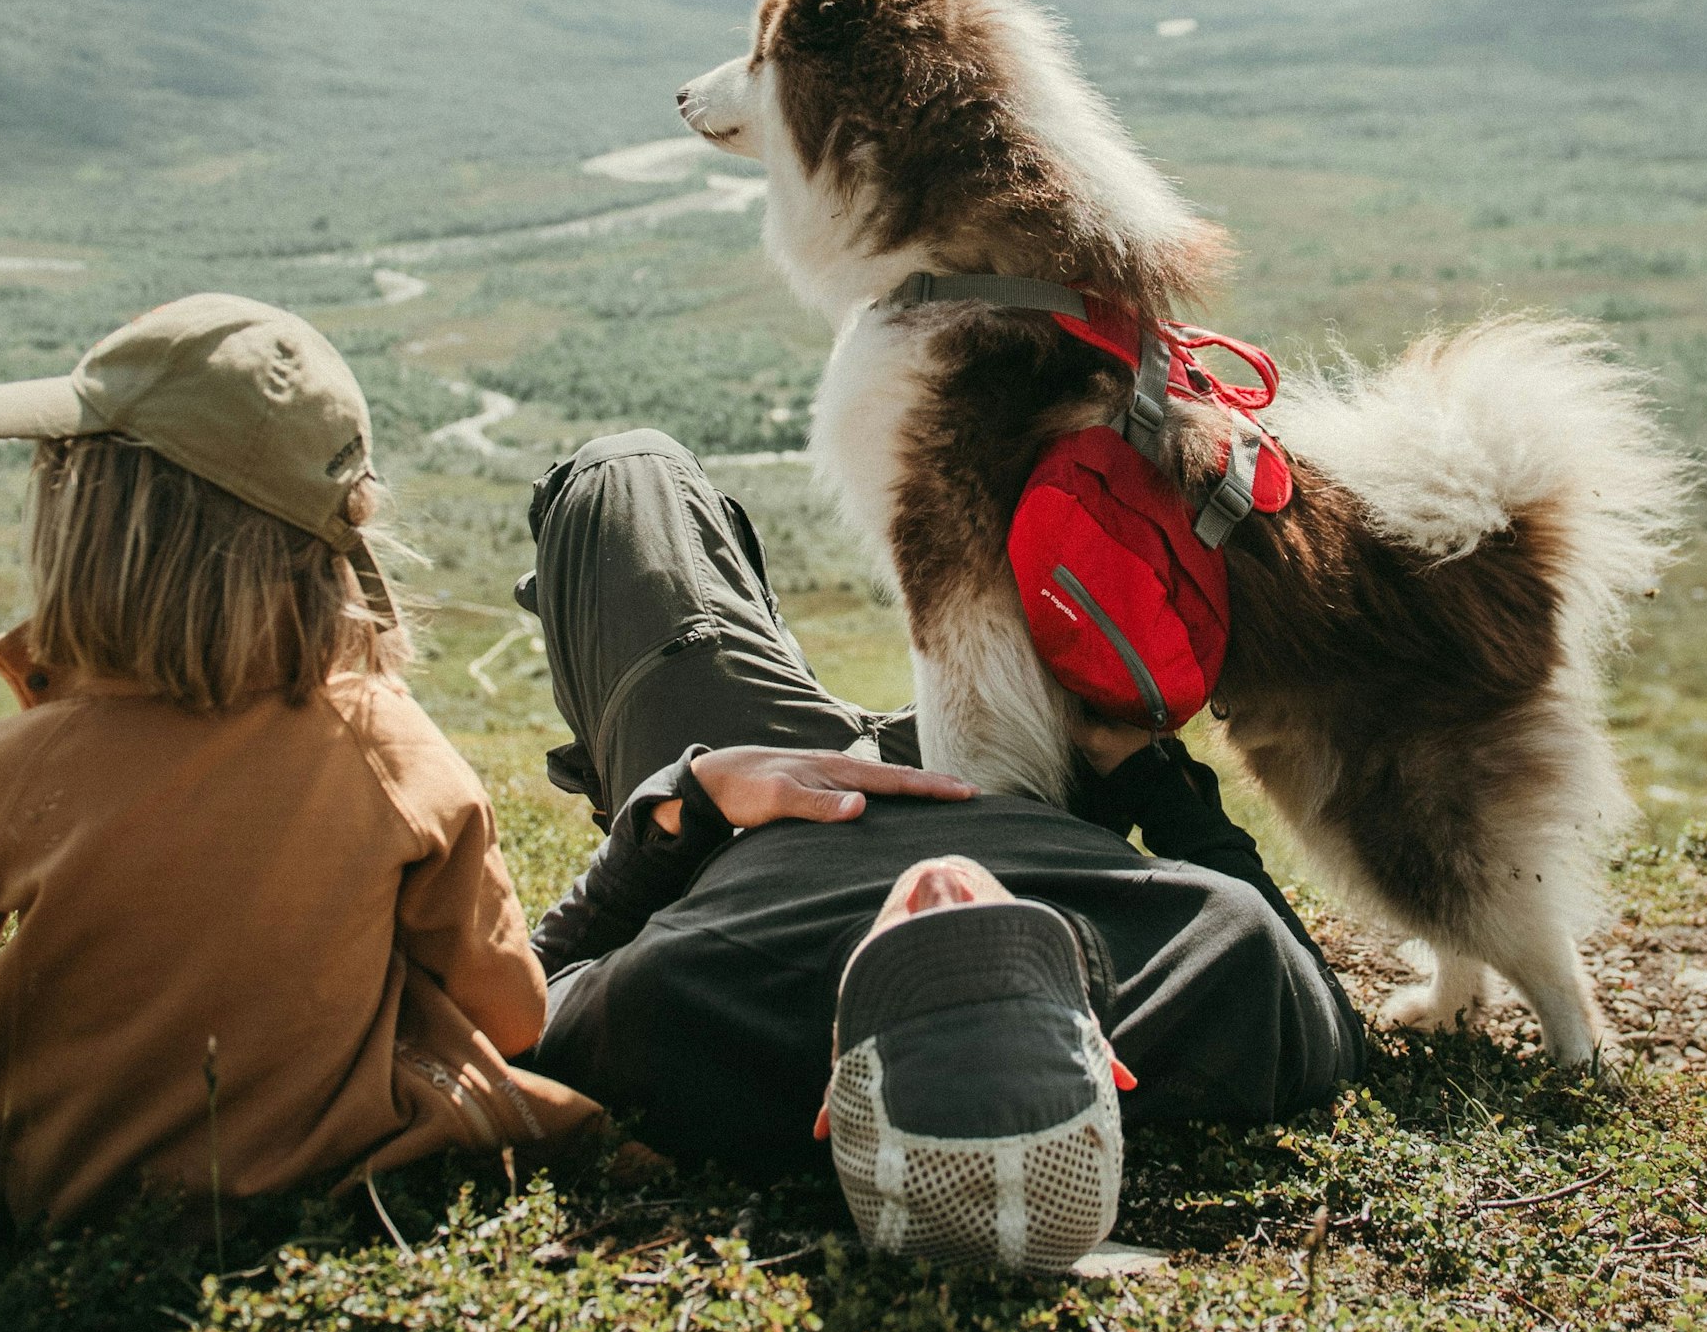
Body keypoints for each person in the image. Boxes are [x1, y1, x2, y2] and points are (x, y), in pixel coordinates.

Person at [0, 294, 600, 1223]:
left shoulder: (20, 765)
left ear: (90, 531)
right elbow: (513, 1019)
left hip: (38, 1196)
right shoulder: (393, 751)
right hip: (319, 1191)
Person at [514, 429, 1364, 1179]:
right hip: (1024, 770)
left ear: (827, 1090)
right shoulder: (1221, 972)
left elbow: (519, 1001)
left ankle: (721, 659)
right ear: (1110, 1057)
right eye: (1013, 944)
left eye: (907, 962)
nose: (941, 885)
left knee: (625, 472)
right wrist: (1147, 776)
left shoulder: (682, 1006)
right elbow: (1320, 998)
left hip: (755, 799)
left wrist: (687, 800)